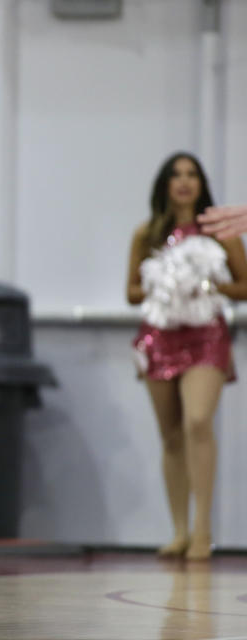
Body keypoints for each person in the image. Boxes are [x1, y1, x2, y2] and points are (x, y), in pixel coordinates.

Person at [126, 152, 247, 561]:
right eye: (176, 174)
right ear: (164, 184)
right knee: (172, 435)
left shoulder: (220, 232)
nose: (184, 181)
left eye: (192, 174)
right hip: (159, 338)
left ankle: (202, 531)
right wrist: (163, 286)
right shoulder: (147, 233)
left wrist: (207, 283)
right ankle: (178, 530)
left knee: (198, 421)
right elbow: (131, 293)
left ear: (201, 183)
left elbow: (244, 286)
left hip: (206, 337)